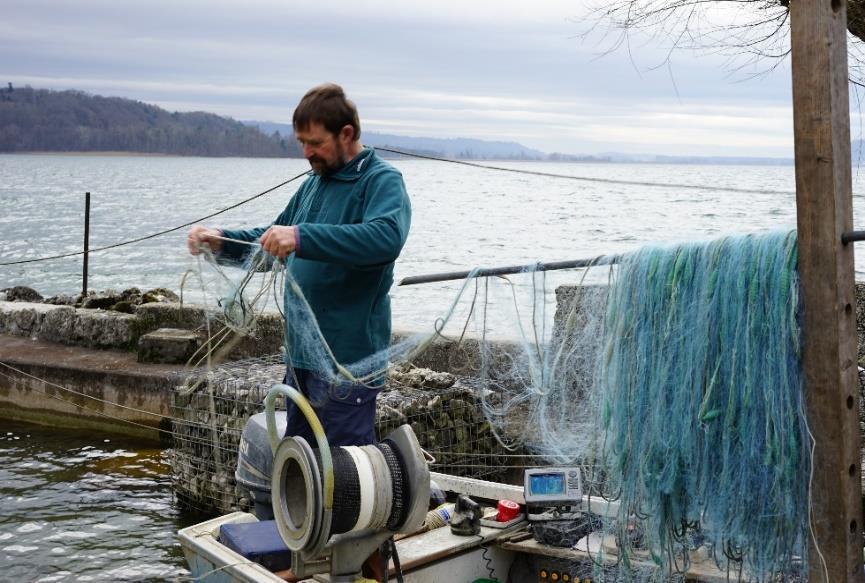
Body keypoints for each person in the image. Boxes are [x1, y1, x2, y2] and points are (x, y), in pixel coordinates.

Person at [187, 83, 411, 448]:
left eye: (315, 143)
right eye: (301, 143)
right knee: (302, 469)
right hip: (300, 361)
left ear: (347, 134)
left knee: (345, 474)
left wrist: (302, 237)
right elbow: (273, 239)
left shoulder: (381, 181)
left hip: (348, 366)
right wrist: (221, 240)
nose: (307, 152)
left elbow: (384, 239)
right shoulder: (314, 184)